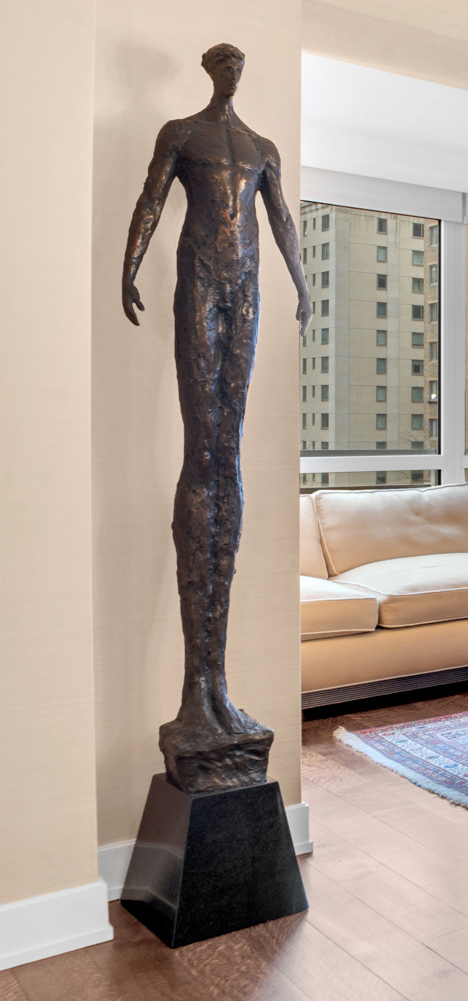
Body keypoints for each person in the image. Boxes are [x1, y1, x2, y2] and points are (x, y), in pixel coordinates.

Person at [121, 43, 311, 792]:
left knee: (225, 458)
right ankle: (196, 687)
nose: (231, 71)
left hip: (247, 286)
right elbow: (150, 200)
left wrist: (304, 285)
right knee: (203, 452)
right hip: (199, 278)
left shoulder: (262, 147)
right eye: (222, 62)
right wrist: (128, 266)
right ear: (209, 71)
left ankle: (216, 683)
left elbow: (283, 220)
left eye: (238, 63)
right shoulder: (181, 132)